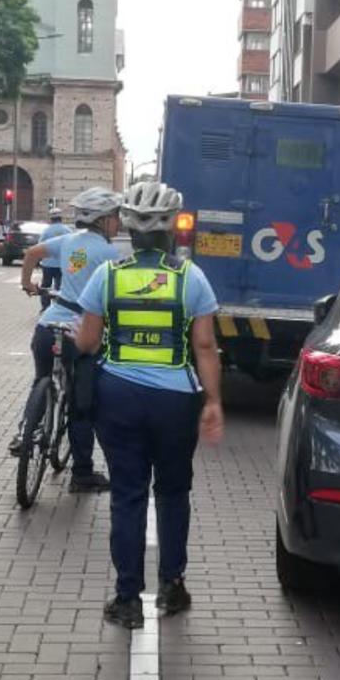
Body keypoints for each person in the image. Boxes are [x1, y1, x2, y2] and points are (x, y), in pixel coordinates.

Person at [74, 181, 224, 629]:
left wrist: (79, 341)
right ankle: (172, 587)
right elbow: (204, 346)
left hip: (118, 396)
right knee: (174, 493)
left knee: (127, 495)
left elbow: (88, 340)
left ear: (130, 230)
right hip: (176, 400)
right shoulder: (190, 277)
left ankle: (127, 600)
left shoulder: (108, 275)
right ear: (172, 228)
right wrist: (213, 401)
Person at [12, 187, 117, 495]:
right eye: (115, 217)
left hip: (48, 325)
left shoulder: (67, 241)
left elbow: (32, 253)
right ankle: (82, 473)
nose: (119, 224)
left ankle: (25, 432)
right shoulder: (110, 253)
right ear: (102, 220)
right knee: (83, 404)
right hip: (81, 332)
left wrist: (27, 284)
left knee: (42, 378)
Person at [38, 206, 71, 292]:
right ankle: (58, 304)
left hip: (47, 264)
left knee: (46, 285)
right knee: (60, 288)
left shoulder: (46, 231)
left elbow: (39, 246)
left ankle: (45, 304)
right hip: (62, 264)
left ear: (51, 219)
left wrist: (39, 260)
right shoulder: (67, 230)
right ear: (61, 218)